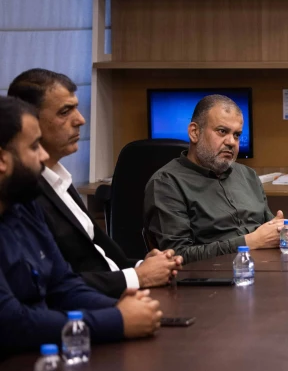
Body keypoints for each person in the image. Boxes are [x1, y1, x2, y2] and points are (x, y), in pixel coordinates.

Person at [0, 96, 161, 353]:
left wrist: (124, 307)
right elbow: (11, 323)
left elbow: (63, 285)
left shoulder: (24, 205)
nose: (43, 156)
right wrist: (116, 320)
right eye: (33, 147)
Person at [8, 69, 182, 298]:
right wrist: (137, 276)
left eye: (76, 108)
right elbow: (55, 283)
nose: (80, 119)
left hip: (120, 296)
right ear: (31, 121)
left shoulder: (61, 179)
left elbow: (100, 258)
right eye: (65, 111)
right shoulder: (25, 193)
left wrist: (145, 265)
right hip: (93, 309)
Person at [144, 94, 288, 264]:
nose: (232, 142)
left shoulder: (248, 175)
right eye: (222, 131)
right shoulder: (167, 182)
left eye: (237, 135)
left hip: (265, 270)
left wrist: (285, 233)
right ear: (194, 132)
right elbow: (176, 256)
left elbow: (268, 232)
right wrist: (249, 242)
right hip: (211, 280)